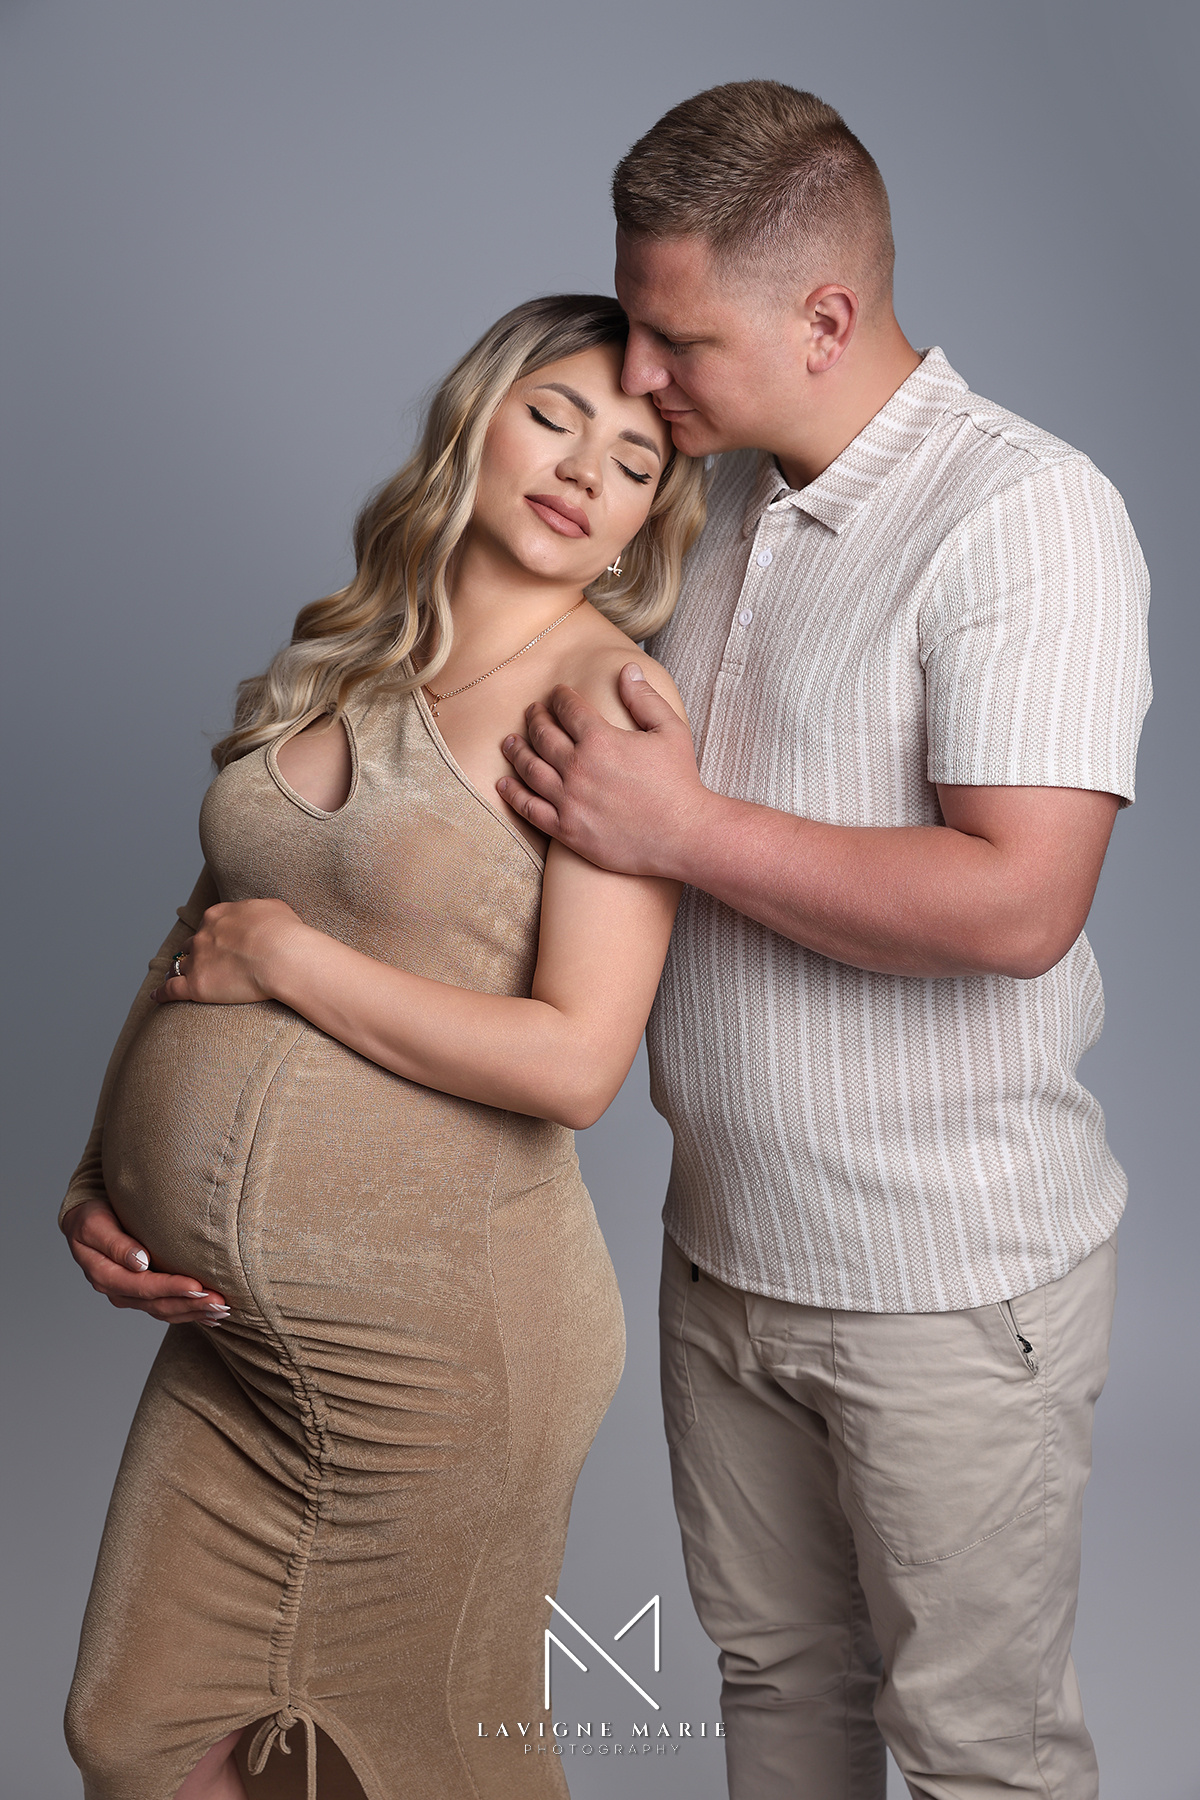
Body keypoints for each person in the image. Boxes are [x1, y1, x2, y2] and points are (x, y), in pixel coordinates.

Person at [496, 84, 1152, 1800]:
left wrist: (686, 829)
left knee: (978, 1757)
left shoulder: (1027, 515)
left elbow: (1020, 901)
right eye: (628, 323)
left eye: (675, 337)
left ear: (828, 317)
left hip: (949, 1291)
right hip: (724, 1263)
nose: (639, 377)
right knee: (779, 1692)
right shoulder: (699, 509)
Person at [58, 292, 706, 1800]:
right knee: (138, 1733)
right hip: (240, 1341)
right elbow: (195, 932)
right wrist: (101, 1174)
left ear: (641, 522)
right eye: (555, 416)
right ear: (474, 423)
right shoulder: (349, 654)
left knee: (409, 1763)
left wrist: (294, 958)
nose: (582, 469)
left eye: (633, 458)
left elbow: (577, 1064)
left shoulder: (605, 702)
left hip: (444, 1356)